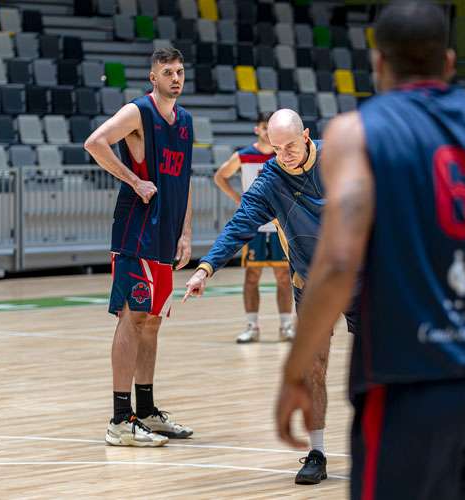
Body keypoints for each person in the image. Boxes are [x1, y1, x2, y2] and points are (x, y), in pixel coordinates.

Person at [274, 2, 465, 499]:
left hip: (405, 385)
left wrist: (294, 373)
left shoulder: (357, 134)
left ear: (378, 64)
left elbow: (339, 262)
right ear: (450, 62)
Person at [184, 109, 360, 485]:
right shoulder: (270, 179)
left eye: (291, 146)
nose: (284, 154)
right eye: (277, 148)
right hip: (312, 286)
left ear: (308, 136)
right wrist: (206, 267)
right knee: (314, 368)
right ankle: (317, 451)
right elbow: (240, 223)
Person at [84, 47, 194, 446]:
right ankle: (119, 419)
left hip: (166, 233)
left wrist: (186, 232)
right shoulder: (137, 112)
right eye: (168, 72)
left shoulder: (185, 120)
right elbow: (95, 142)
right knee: (132, 318)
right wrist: (133, 179)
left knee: (152, 322)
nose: (176, 78)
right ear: (153, 77)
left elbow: (185, 179)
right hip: (137, 230)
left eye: (180, 71)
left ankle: (146, 411)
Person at [212, 113, 295, 343]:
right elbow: (220, 177)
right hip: (254, 224)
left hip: (279, 225)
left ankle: (286, 326)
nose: (268, 131)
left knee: (283, 276)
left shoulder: (283, 156)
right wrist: (239, 199)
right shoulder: (244, 156)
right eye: (264, 127)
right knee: (251, 276)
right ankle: (252, 326)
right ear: (256, 129)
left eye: (271, 127)